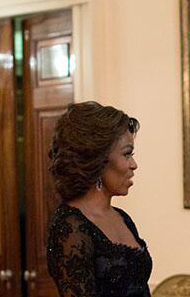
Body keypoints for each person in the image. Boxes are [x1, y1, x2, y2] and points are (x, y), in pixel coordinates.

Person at [46, 101, 151, 297]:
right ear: (98, 160)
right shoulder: (70, 226)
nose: (134, 164)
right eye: (127, 154)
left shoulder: (123, 218)